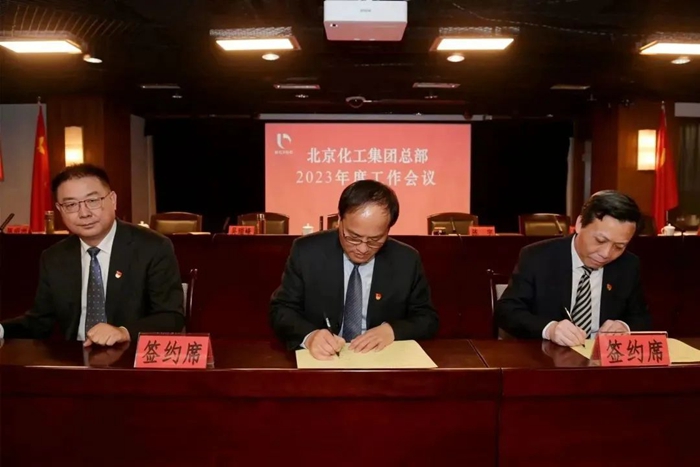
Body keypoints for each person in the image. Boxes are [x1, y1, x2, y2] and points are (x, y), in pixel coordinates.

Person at [0, 163, 185, 346]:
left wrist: (124, 332)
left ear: (113, 200)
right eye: (71, 204)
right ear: (60, 209)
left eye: (93, 201)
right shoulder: (54, 257)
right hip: (74, 358)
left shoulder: (153, 247)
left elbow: (171, 317)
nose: (84, 213)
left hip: (130, 356)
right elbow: (39, 322)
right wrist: (1, 329)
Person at [270, 180, 439, 359]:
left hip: (381, 359)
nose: (362, 248)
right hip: (325, 360)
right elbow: (281, 310)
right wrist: (310, 336)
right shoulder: (307, 252)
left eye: (375, 240)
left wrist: (392, 330)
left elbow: (427, 318)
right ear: (339, 220)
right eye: (353, 237)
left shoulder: (406, 260)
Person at [495, 190, 652, 347]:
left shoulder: (628, 265)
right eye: (600, 240)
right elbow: (506, 311)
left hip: (602, 357)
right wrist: (549, 329)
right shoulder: (537, 257)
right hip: (548, 356)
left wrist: (624, 327)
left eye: (619, 246)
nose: (606, 254)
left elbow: (641, 317)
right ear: (580, 224)